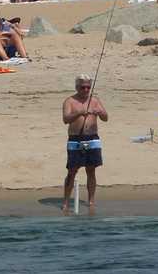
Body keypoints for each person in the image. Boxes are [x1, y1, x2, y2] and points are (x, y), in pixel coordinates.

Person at [62, 74, 108, 214]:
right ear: (77, 87)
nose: (86, 90)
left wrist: (100, 112)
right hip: (75, 138)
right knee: (72, 170)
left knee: (91, 170)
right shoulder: (70, 101)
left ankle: (91, 200)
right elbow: (66, 119)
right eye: (83, 87)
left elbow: (106, 118)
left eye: (88, 87)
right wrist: (79, 113)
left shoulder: (95, 100)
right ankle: (66, 202)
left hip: (92, 138)